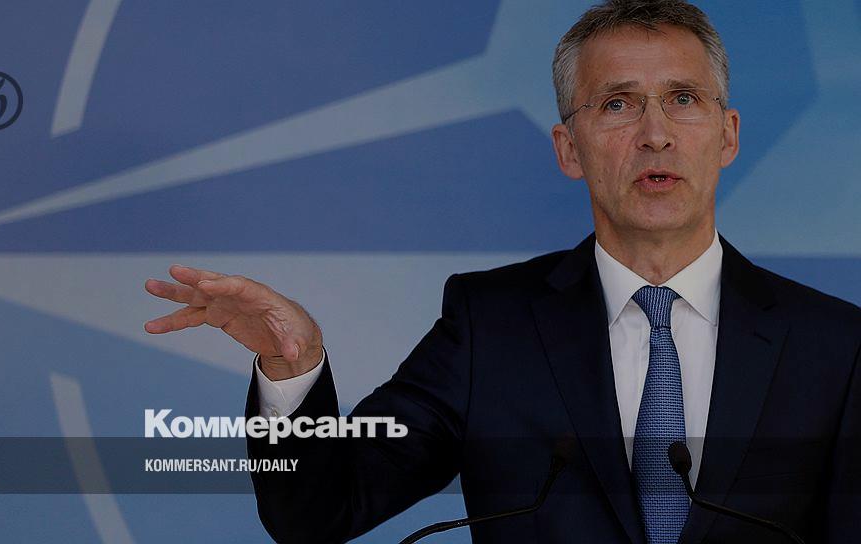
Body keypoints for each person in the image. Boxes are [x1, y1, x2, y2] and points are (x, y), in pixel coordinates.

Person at [143, 1, 860, 542]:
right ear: (569, 148)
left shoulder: (834, 345)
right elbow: (318, 512)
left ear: (727, 135)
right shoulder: (491, 325)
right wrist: (292, 367)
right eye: (618, 103)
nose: (655, 134)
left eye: (683, 99)